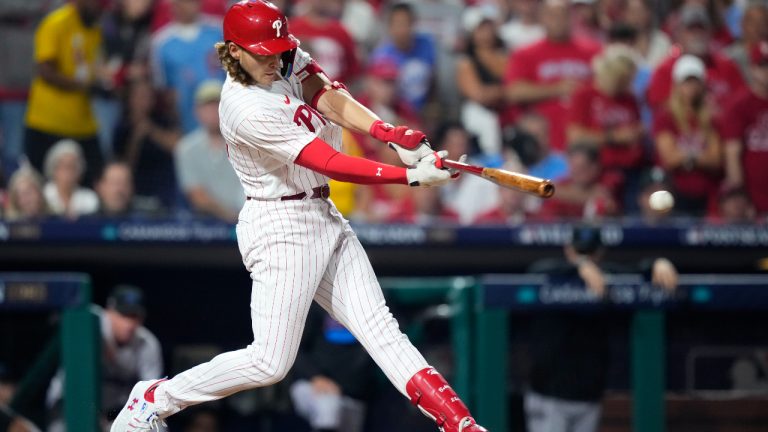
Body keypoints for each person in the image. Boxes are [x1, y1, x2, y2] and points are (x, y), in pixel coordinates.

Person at [111, 3, 485, 432]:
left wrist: (388, 133)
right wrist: (408, 177)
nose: (275, 59)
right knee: (270, 362)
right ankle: (154, 399)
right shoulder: (245, 107)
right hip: (281, 225)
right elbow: (328, 160)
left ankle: (461, 424)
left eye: (279, 49)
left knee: (382, 331)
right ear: (233, 51)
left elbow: (325, 93)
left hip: (321, 211)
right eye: (263, 52)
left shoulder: (279, 58)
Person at [524, 224, 678, 432]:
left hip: (588, 397)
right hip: (549, 397)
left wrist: (658, 263)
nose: (586, 258)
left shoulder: (607, 276)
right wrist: (579, 266)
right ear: (568, 250)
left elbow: (637, 270)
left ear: (600, 252)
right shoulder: (552, 273)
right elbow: (535, 270)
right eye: (580, 252)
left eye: (590, 252)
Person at [47, 285, 163, 432]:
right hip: (72, 406)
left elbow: (152, 397)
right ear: (109, 311)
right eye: (123, 315)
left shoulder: (147, 344)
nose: (129, 323)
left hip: (114, 412)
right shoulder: (93, 323)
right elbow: (74, 309)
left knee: (155, 425)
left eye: (134, 317)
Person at [23, 0, 107, 187]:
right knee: (41, 185)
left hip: (83, 124)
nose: (99, 7)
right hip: (47, 122)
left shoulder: (95, 30)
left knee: (95, 182)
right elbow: (45, 70)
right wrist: (82, 86)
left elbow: (94, 68)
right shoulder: (56, 23)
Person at [503, 0, 601, 153]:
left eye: (562, 15)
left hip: (587, 141)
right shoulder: (526, 53)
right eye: (552, 16)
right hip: (545, 144)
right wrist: (558, 89)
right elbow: (514, 92)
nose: (558, 21)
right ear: (542, 18)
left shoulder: (593, 51)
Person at [567, 45, 646, 209]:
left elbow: (635, 129)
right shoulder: (585, 95)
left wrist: (637, 134)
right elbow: (575, 137)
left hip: (631, 171)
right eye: (622, 78)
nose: (626, 83)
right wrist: (615, 137)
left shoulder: (629, 98)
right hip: (598, 172)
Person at [652, 55, 722, 216]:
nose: (691, 86)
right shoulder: (666, 117)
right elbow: (669, 158)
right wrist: (699, 157)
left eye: (695, 81)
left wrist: (687, 157)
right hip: (674, 189)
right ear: (677, 84)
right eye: (686, 81)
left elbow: (715, 159)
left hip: (707, 189)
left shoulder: (712, 118)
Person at [289, 305, 376, 432]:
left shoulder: (370, 303)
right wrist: (316, 376)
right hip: (313, 385)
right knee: (328, 407)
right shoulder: (316, 303)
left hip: (353, 394)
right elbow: (295, 351)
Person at [646, 4, 746, 114]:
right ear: (679, 34)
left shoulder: (726, 66)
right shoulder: (665, 70)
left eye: (701, 29)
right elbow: (659, 111)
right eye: (691, 29)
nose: (697, 34)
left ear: (710, 33)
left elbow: (743, 101)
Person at [150, 0, 225, 134]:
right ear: (173, 5)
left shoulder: (219, 30)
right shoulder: (161, 43)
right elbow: (164, 90)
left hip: (227, 118)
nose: (190, 6)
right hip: (189, 124)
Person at [174, 80, 244, 222]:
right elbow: (197, 195)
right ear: (197, 112)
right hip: (205, 227)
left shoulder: (246, 144)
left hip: (250, 221)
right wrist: (232, 217)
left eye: (218, 104)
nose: (213, 111)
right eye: (208, 106)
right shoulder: (186, 148)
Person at [720, 40, 768, 217]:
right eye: (763, 65)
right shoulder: (739, 104)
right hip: (753, 198)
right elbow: (733, 153)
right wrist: (740, 198)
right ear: (753, 68)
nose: (767, 71)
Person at [456, 6, 508, 156]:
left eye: (489, 27)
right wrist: (505, 91)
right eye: (481, 28)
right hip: (478, 117)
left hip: (503, 115)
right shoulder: (466, 61)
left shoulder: (504, 55)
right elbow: (478, 95)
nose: (487, 32)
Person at [370, 2, 437, 113]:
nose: (403, 29)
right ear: (390, 27)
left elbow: (433, 79)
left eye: (407, 23)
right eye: (398, 24)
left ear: (414, 24)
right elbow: (379, 95)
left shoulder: (427, 44)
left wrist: (432, 106)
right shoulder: (381, 55)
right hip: (398, 113)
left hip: (423, 109)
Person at [42, 139, 99, 219]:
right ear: (53, 169)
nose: (68, 172)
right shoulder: (42, 195)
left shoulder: (89, 198)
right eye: (63, 166)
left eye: (72, 167)